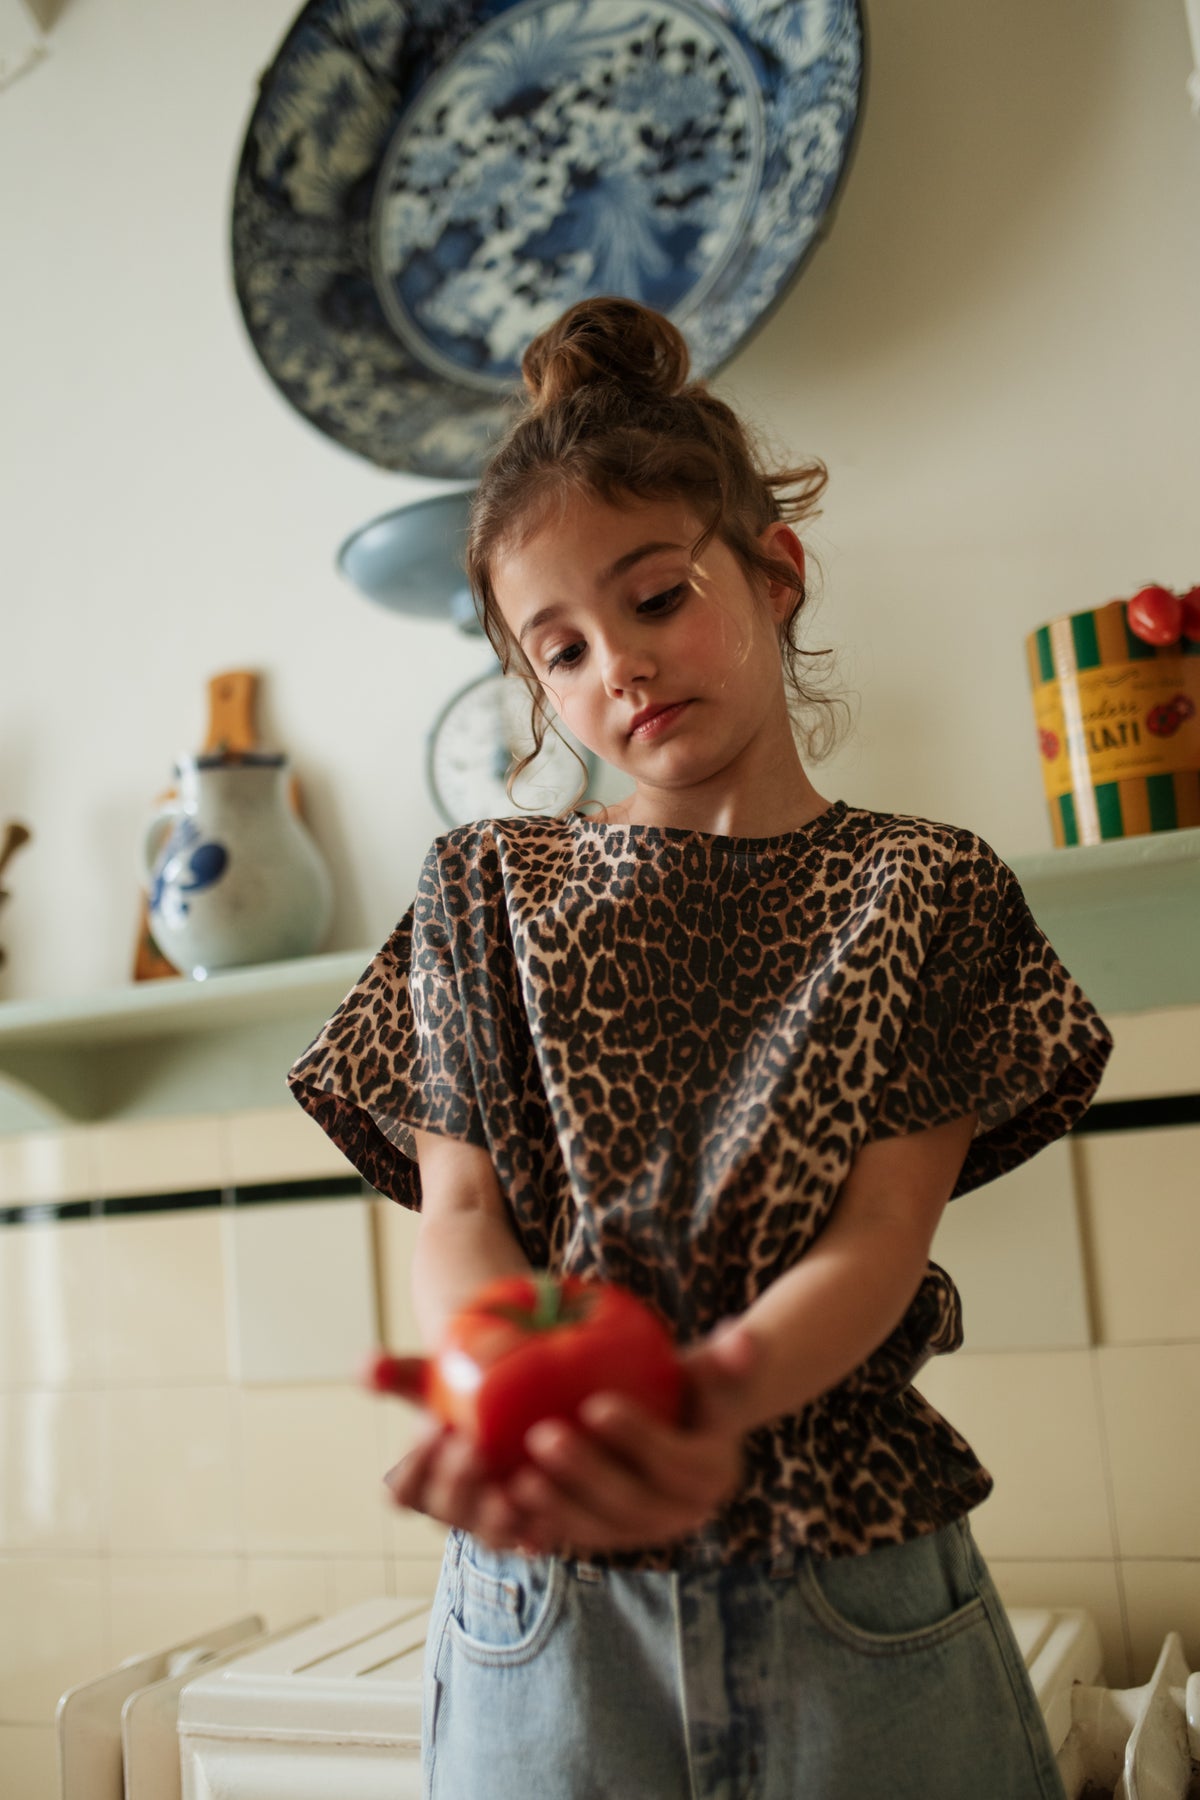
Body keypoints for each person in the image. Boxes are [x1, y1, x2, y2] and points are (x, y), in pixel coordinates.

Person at [288, 296, 1112, 1799]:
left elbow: (880, 1236)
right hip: (547, 1592)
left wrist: (706, 1396)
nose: (619, 666)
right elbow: (458, 1216)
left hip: (845, 1572)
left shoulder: (928, 887)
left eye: (657, 598)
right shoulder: (481, 888)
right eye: (561, 649)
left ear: (774, 572)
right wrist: (515, 1388)